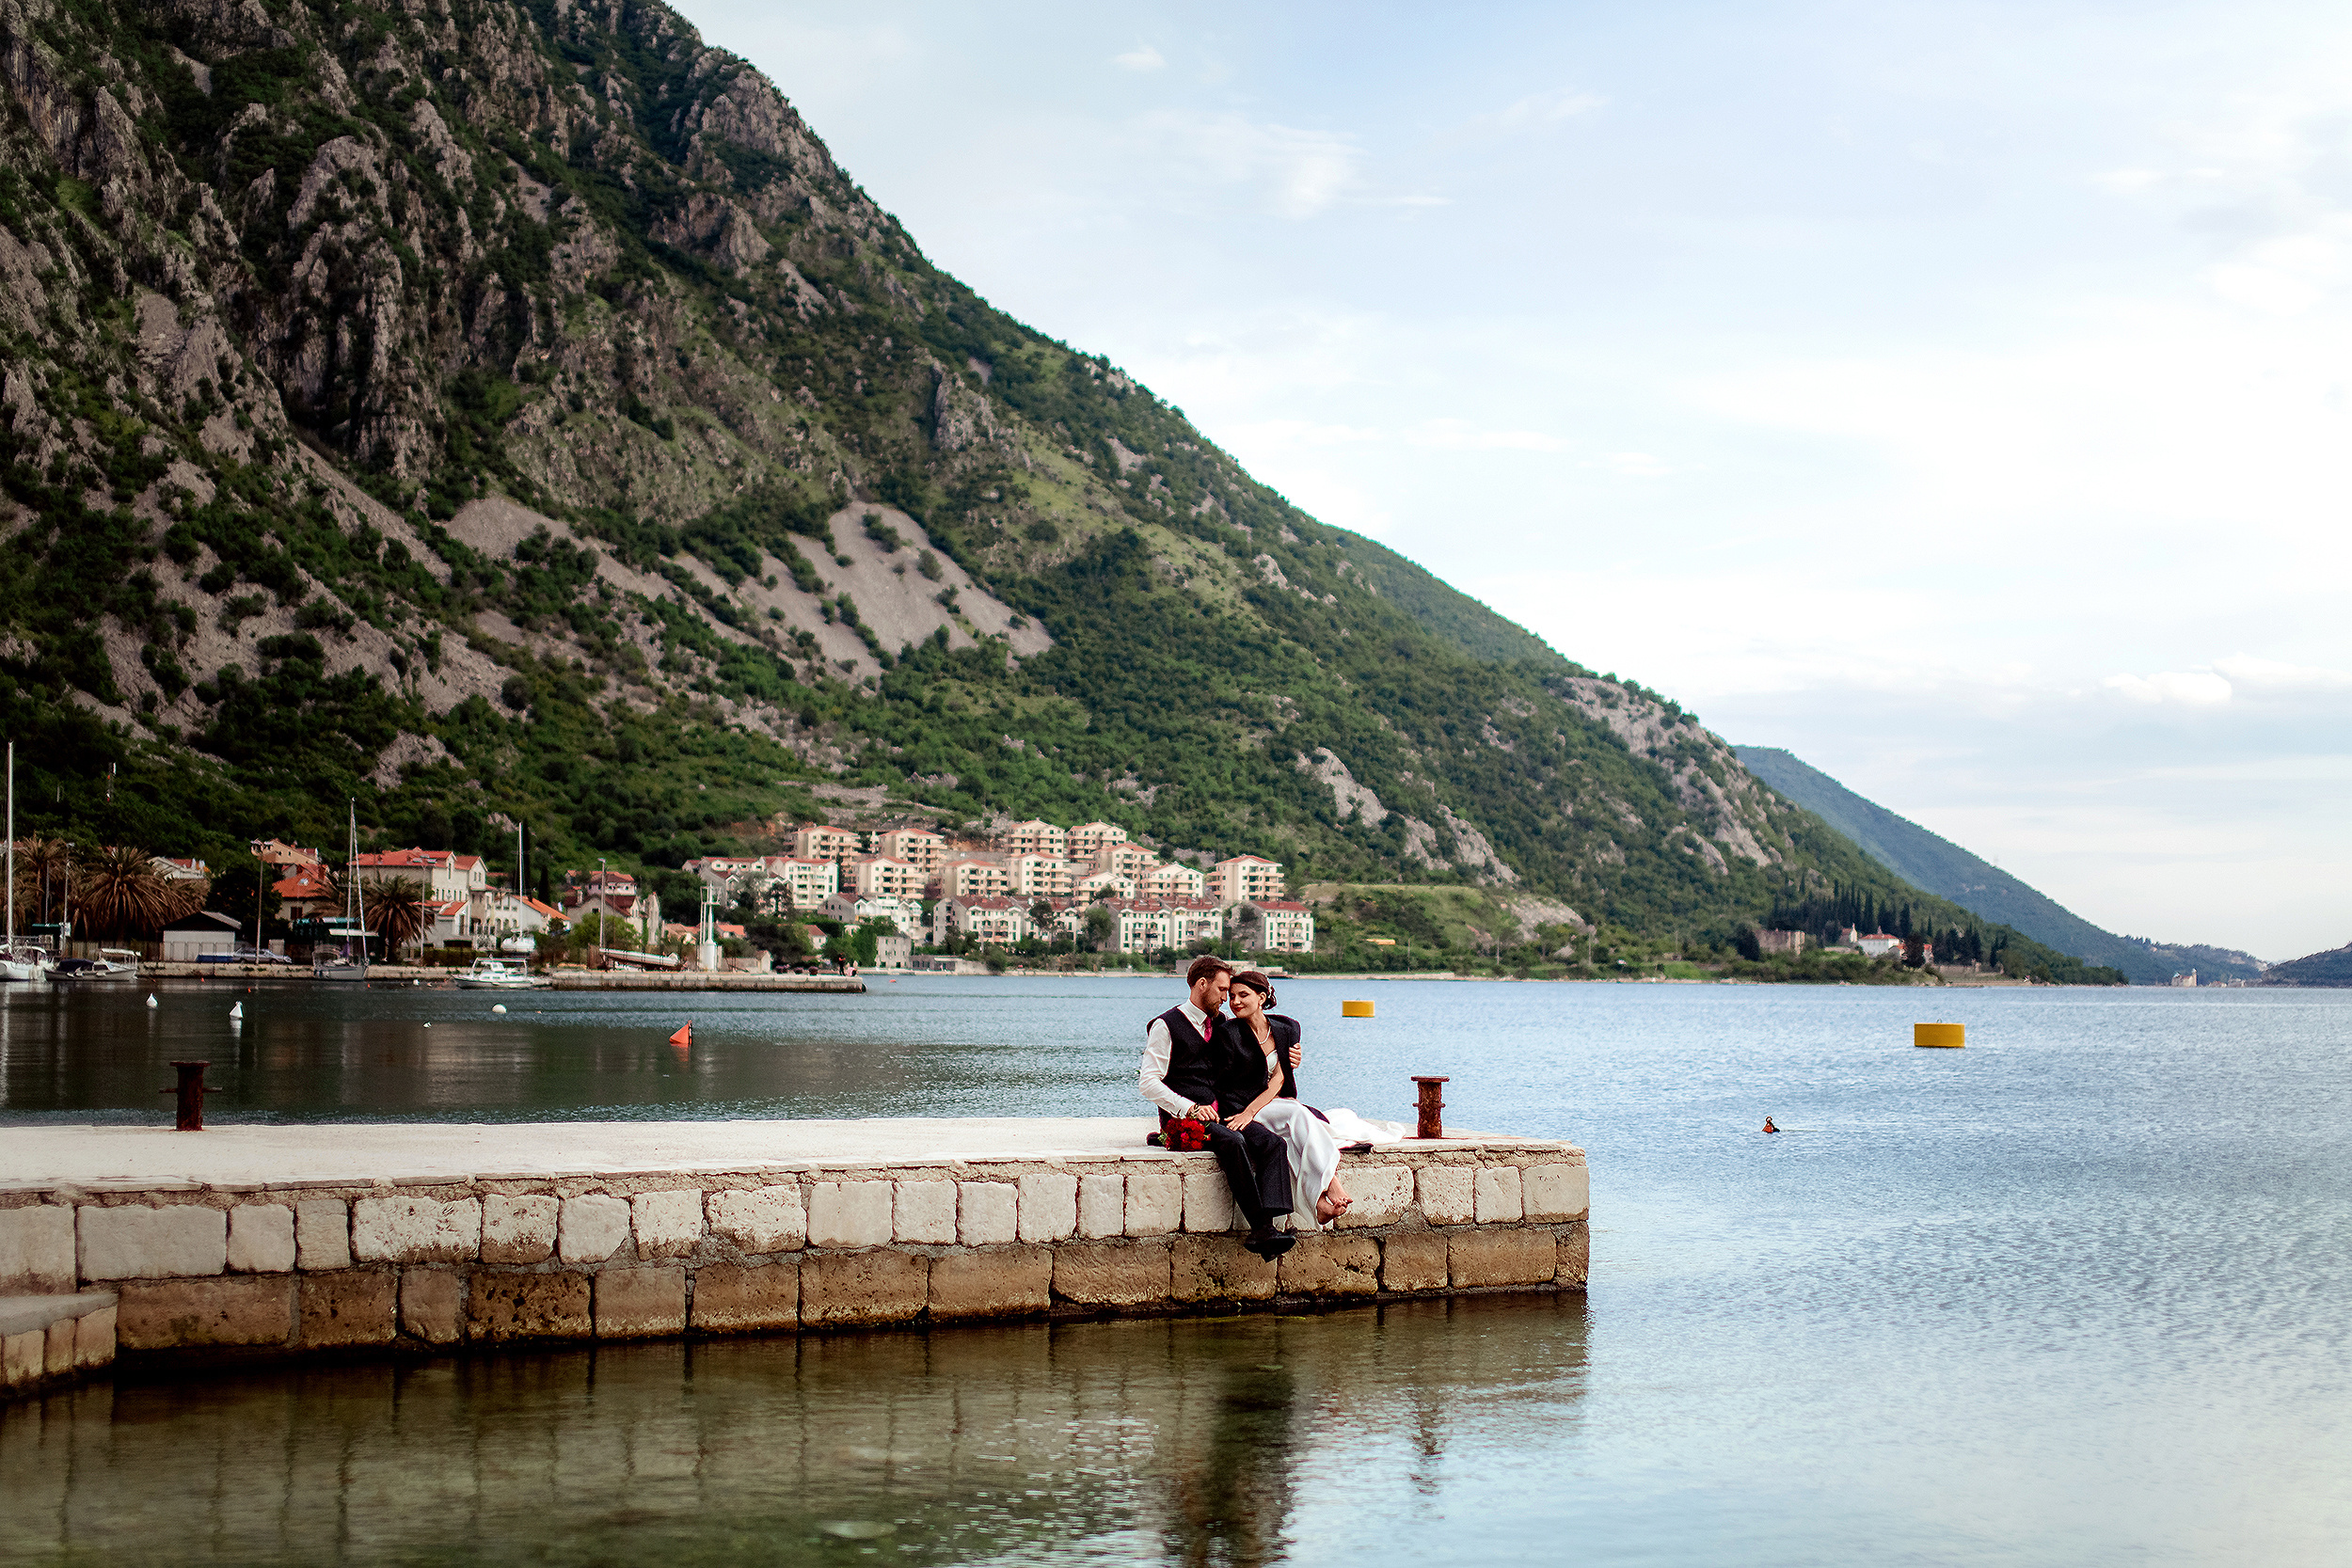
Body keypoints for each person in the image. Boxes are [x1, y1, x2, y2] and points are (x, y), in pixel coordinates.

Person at [1140, 955, 1296, 1259]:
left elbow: (1260, 1046)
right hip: (1184, 1119)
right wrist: (1189, 1108)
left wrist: (1288, 1058)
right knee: (1234, 1141)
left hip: (1223, 1111)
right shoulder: (1166, 1025)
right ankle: (1261, 1229)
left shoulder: (1222, 1024)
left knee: (1272, 1144)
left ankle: (1271, 1223)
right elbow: (1148, 1083)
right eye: (1223, 990)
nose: (1227, 998)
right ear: (1202, 984)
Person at [1221, 971, 1406, 1228]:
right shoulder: (1228, 1033)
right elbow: (1227, 1083)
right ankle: (1331, 1182)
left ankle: (1319, 1205)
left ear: (1261, 998)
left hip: (1274, 1099)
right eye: (1231, 996)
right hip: (1243, 1105)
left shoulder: (1287, 1028)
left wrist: (1289, 1065)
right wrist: (1248, 1113)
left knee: (1294, 1134)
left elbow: (1280, 1078)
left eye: (1243, 995)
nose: (1235, 1002)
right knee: (1296, 1114)